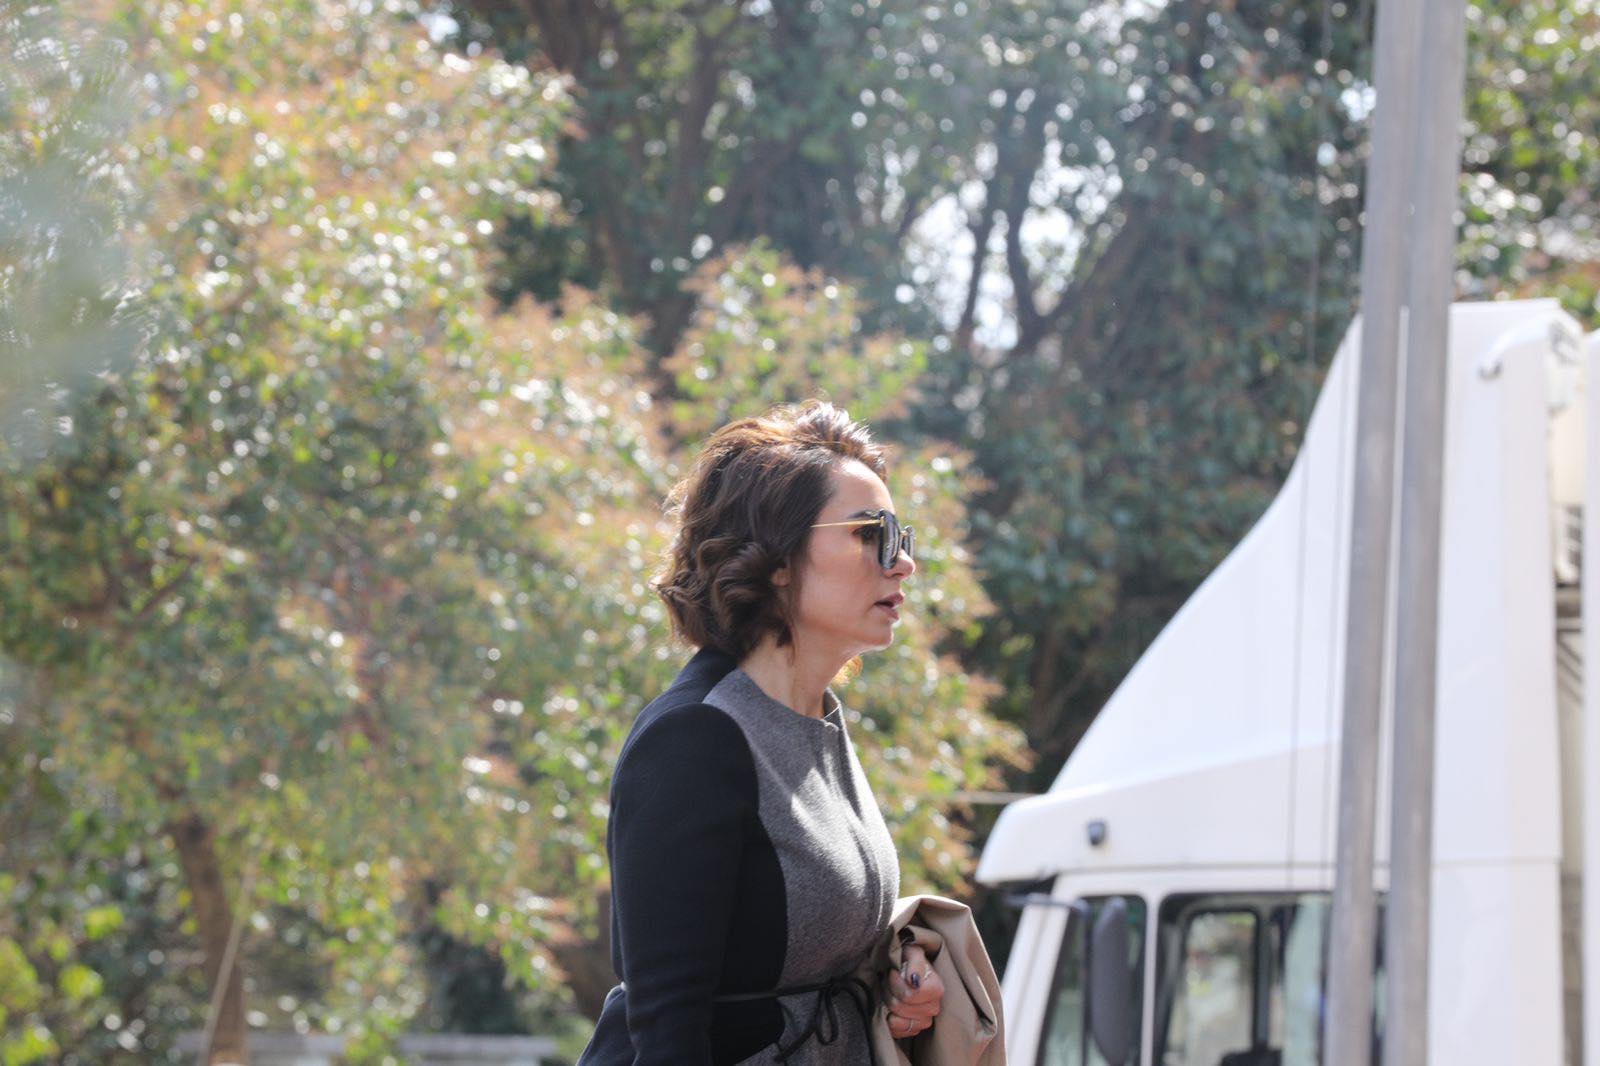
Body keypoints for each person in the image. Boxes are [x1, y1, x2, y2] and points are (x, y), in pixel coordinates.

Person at [576, 399, 945, 1065]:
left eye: (903, 537)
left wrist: (897, 977)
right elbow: (666, 1032)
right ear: (775, 557)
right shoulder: (693, 738)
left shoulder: (819, 720)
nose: (902, 563)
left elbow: (807, 948)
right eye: (871, 533)